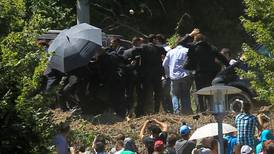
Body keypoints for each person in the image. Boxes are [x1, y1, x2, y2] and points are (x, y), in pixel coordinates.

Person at [179, 29, 229, 112]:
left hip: (199, 73)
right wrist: (229, 67)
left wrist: (190, 34)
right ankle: (212, 109)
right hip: (211, 74)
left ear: (196, 40)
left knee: (200, 92)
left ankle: (202, 110)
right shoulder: (212, 48)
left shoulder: (193, 47)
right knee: (210, 91)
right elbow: (223, 59)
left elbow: (181, 43)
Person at [162, 44, 193, 114]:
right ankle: (186, 111)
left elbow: (164, 64)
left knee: (175, 94)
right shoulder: (187, 51)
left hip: (174, 76)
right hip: (185, 75)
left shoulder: (170, 52)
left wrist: (168, 74)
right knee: (185, 94)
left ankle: (177, 111)